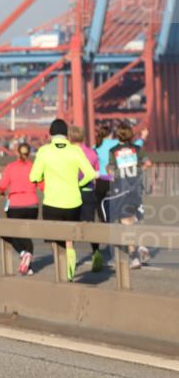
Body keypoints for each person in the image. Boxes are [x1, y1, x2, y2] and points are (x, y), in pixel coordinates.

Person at [29, 119, 96, 282]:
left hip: (52, 202)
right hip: (73, 201)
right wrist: (78, 184)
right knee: (69, 240)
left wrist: (45, 175)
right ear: (66, 134)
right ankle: (70, 269)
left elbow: (33, 176)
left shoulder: (44, 151)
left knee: (55, 239)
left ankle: (61, 274)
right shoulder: (75, 150)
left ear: (50, 133)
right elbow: (90, 174)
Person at [102, 125, 153, 269]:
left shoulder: (113, 151)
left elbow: (111, 169)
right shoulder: (137, 149)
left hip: (122, 189)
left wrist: (114, 173)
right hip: (136, 188)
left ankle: (135, 258)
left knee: (126, 222)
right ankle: (142, 245)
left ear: (118, 136)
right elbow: (148, 163)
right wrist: (138, 171)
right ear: (131, 135)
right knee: (137, 218)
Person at [0, 142, 40, 275]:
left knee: (10, 232)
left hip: (15, 205)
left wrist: (1, 193)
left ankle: (23, 253)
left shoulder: (10, 167)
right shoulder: (33, 167)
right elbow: (42, 186)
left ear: (17, 152)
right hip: (32, 205)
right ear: (29, 153)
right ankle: (29, 267)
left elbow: (2, 185)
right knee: (27, 235)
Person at [69, 126, 104, 272]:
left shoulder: (68, 153)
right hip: (89, 192)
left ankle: (70, 262)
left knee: (69, 226)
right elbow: (97, 173)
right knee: (90, 225)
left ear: (70, 138)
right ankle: (96, 254)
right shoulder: (92, 153)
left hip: (71, 191)